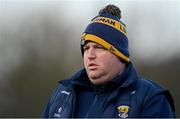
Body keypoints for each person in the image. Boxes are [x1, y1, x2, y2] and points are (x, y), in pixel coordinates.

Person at [41, 4, 175, 118]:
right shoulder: (63, 93)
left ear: (119, 54)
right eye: (86, 48)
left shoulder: (150, 97)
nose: (90, 55)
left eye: (99, 47)